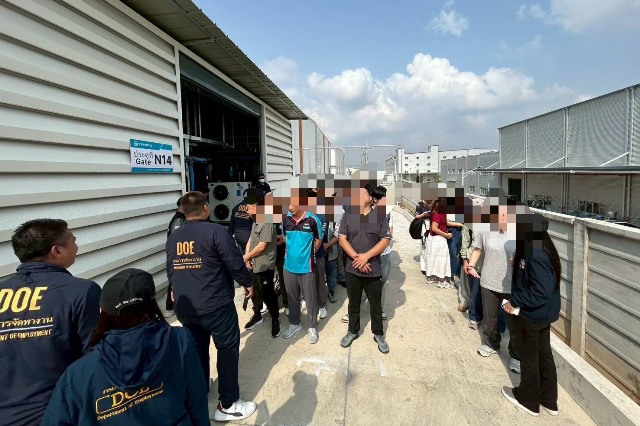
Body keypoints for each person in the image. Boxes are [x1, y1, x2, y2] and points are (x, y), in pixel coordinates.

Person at [41, 269, 209, 425]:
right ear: (153, 304)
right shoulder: (180, 340)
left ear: (103, 312)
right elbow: (197, 400)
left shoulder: (78, 375)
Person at [166, 192, 257, 422]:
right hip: (216, 306)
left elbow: (170, 269)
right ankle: (228, 404)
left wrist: (174, 289)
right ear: (206, 207)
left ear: (183, 211)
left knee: (196, 349)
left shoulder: (174, 237)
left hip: (186, 307)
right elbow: (234, 262)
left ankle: (199, 388)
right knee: (227, 350)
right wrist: (247, 283)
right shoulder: (216, 231)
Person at [0, 219, 101, 426]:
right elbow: (94, 358)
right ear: (57, 251)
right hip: (56, 413)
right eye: (73, 241)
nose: (76, 246)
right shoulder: (81, 291)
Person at [501, 214, 561, 417]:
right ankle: (549, 400)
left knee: (529, 357)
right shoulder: (542, 248)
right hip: (544, 314)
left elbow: (541, 290)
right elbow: (537, 278)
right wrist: (519, 265)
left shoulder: (536, 253)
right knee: (544, 355)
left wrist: (515, 302)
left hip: (533, 315)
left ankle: (528, 400)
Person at [467, 203, 521, 373]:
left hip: (511, 286)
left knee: (514, 322)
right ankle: (491, 344)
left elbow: (529, 257)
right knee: (490, 319)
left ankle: (517, 355)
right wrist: (471, 265)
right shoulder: (486, 230)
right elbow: (478, 249)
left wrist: (521, 263)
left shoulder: (519, 232)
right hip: (489, 282)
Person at [339, 183, 391, 353]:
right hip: (352, 268)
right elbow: (342, 238)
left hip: (372, 268)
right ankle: (352, 331)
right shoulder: (348, 215)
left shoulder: (380, 216)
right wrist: (357, 258)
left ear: (370, 198)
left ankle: (378, 333)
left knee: (375, 304)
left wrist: (366, 257)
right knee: (353, 302)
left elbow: (385, 240)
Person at [281, 189, 323, 344]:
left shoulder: (313, 220)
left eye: (293, 204)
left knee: (310, 299)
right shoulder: (285, 219)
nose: (290, 207)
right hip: (288, 267)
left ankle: (312, 327)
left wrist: (307, 254)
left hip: (307, 268)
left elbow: (318, 240)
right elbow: (285, 237)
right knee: (292, 298)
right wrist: (293, 252)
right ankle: (295, 324)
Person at [243, 191, 281, 337]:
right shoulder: (255, 221)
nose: (247, 211)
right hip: (253, 263)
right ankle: (257, 314)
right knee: (255, 292)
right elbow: (250, 240)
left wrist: (246, 257)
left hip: (264, 265)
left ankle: (275, 318)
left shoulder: (267, 222)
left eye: (249, 208)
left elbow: (262, 246)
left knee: (268, 293)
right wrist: (247, 258)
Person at [425, 198, 462, 287]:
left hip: (434, 238)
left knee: (434, 258)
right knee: (442, 259)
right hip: (439, 239)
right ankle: (442, 281)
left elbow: (445, 222)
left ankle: (431, 277)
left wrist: (458, 224)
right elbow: (434, 228)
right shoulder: (439, 213)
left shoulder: (435, 211)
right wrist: (446, 235)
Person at [372, 186, 392, 320]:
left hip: (384, 254)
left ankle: (379, 310)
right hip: (370, 255)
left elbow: (390, 232)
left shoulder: (388, 213)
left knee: (382, 283)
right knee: (364, 284)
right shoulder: (366, 213)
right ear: (375, 199)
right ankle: (354, 311)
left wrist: (385, 243)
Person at [165, 196, 186, 313]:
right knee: (174, 280)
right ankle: (170, 306)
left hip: (177, 254)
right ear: (182, 206)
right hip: (177, 255)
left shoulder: (181, 218)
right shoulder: (178, 220)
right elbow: (178, 239)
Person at [414, 199, 430, 275]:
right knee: (424, 246)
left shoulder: (433, 203)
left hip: (433, 226)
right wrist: (423, 215)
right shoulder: (420, 205)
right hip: (424, 226)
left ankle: (430, 266)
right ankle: (424, 267)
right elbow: (416, 216)